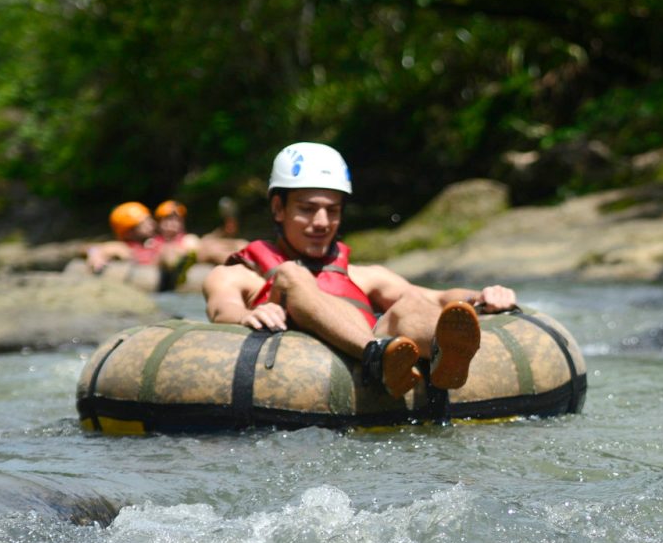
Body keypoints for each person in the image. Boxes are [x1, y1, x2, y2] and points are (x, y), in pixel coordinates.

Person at [203, 142, 518, 394]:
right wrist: (245, 315)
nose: (322, 223)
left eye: (333, 211)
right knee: (290, 274)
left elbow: (439, 298)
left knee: (409, 302)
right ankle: (376, 356)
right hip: (299, 365)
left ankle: (440, 355)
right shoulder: (238, 274)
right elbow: (222, 309)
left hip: (381, 354)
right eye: (307, 209)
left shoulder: (364, 275)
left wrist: (482, 296)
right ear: (278, 208)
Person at [86, 201, 164, 272]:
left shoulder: (160, 239)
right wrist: (94, 254)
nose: (152, 224)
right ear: (129, 232)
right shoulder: (126, 248)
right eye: (144, 224)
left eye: (149, 220)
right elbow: (95, 248)